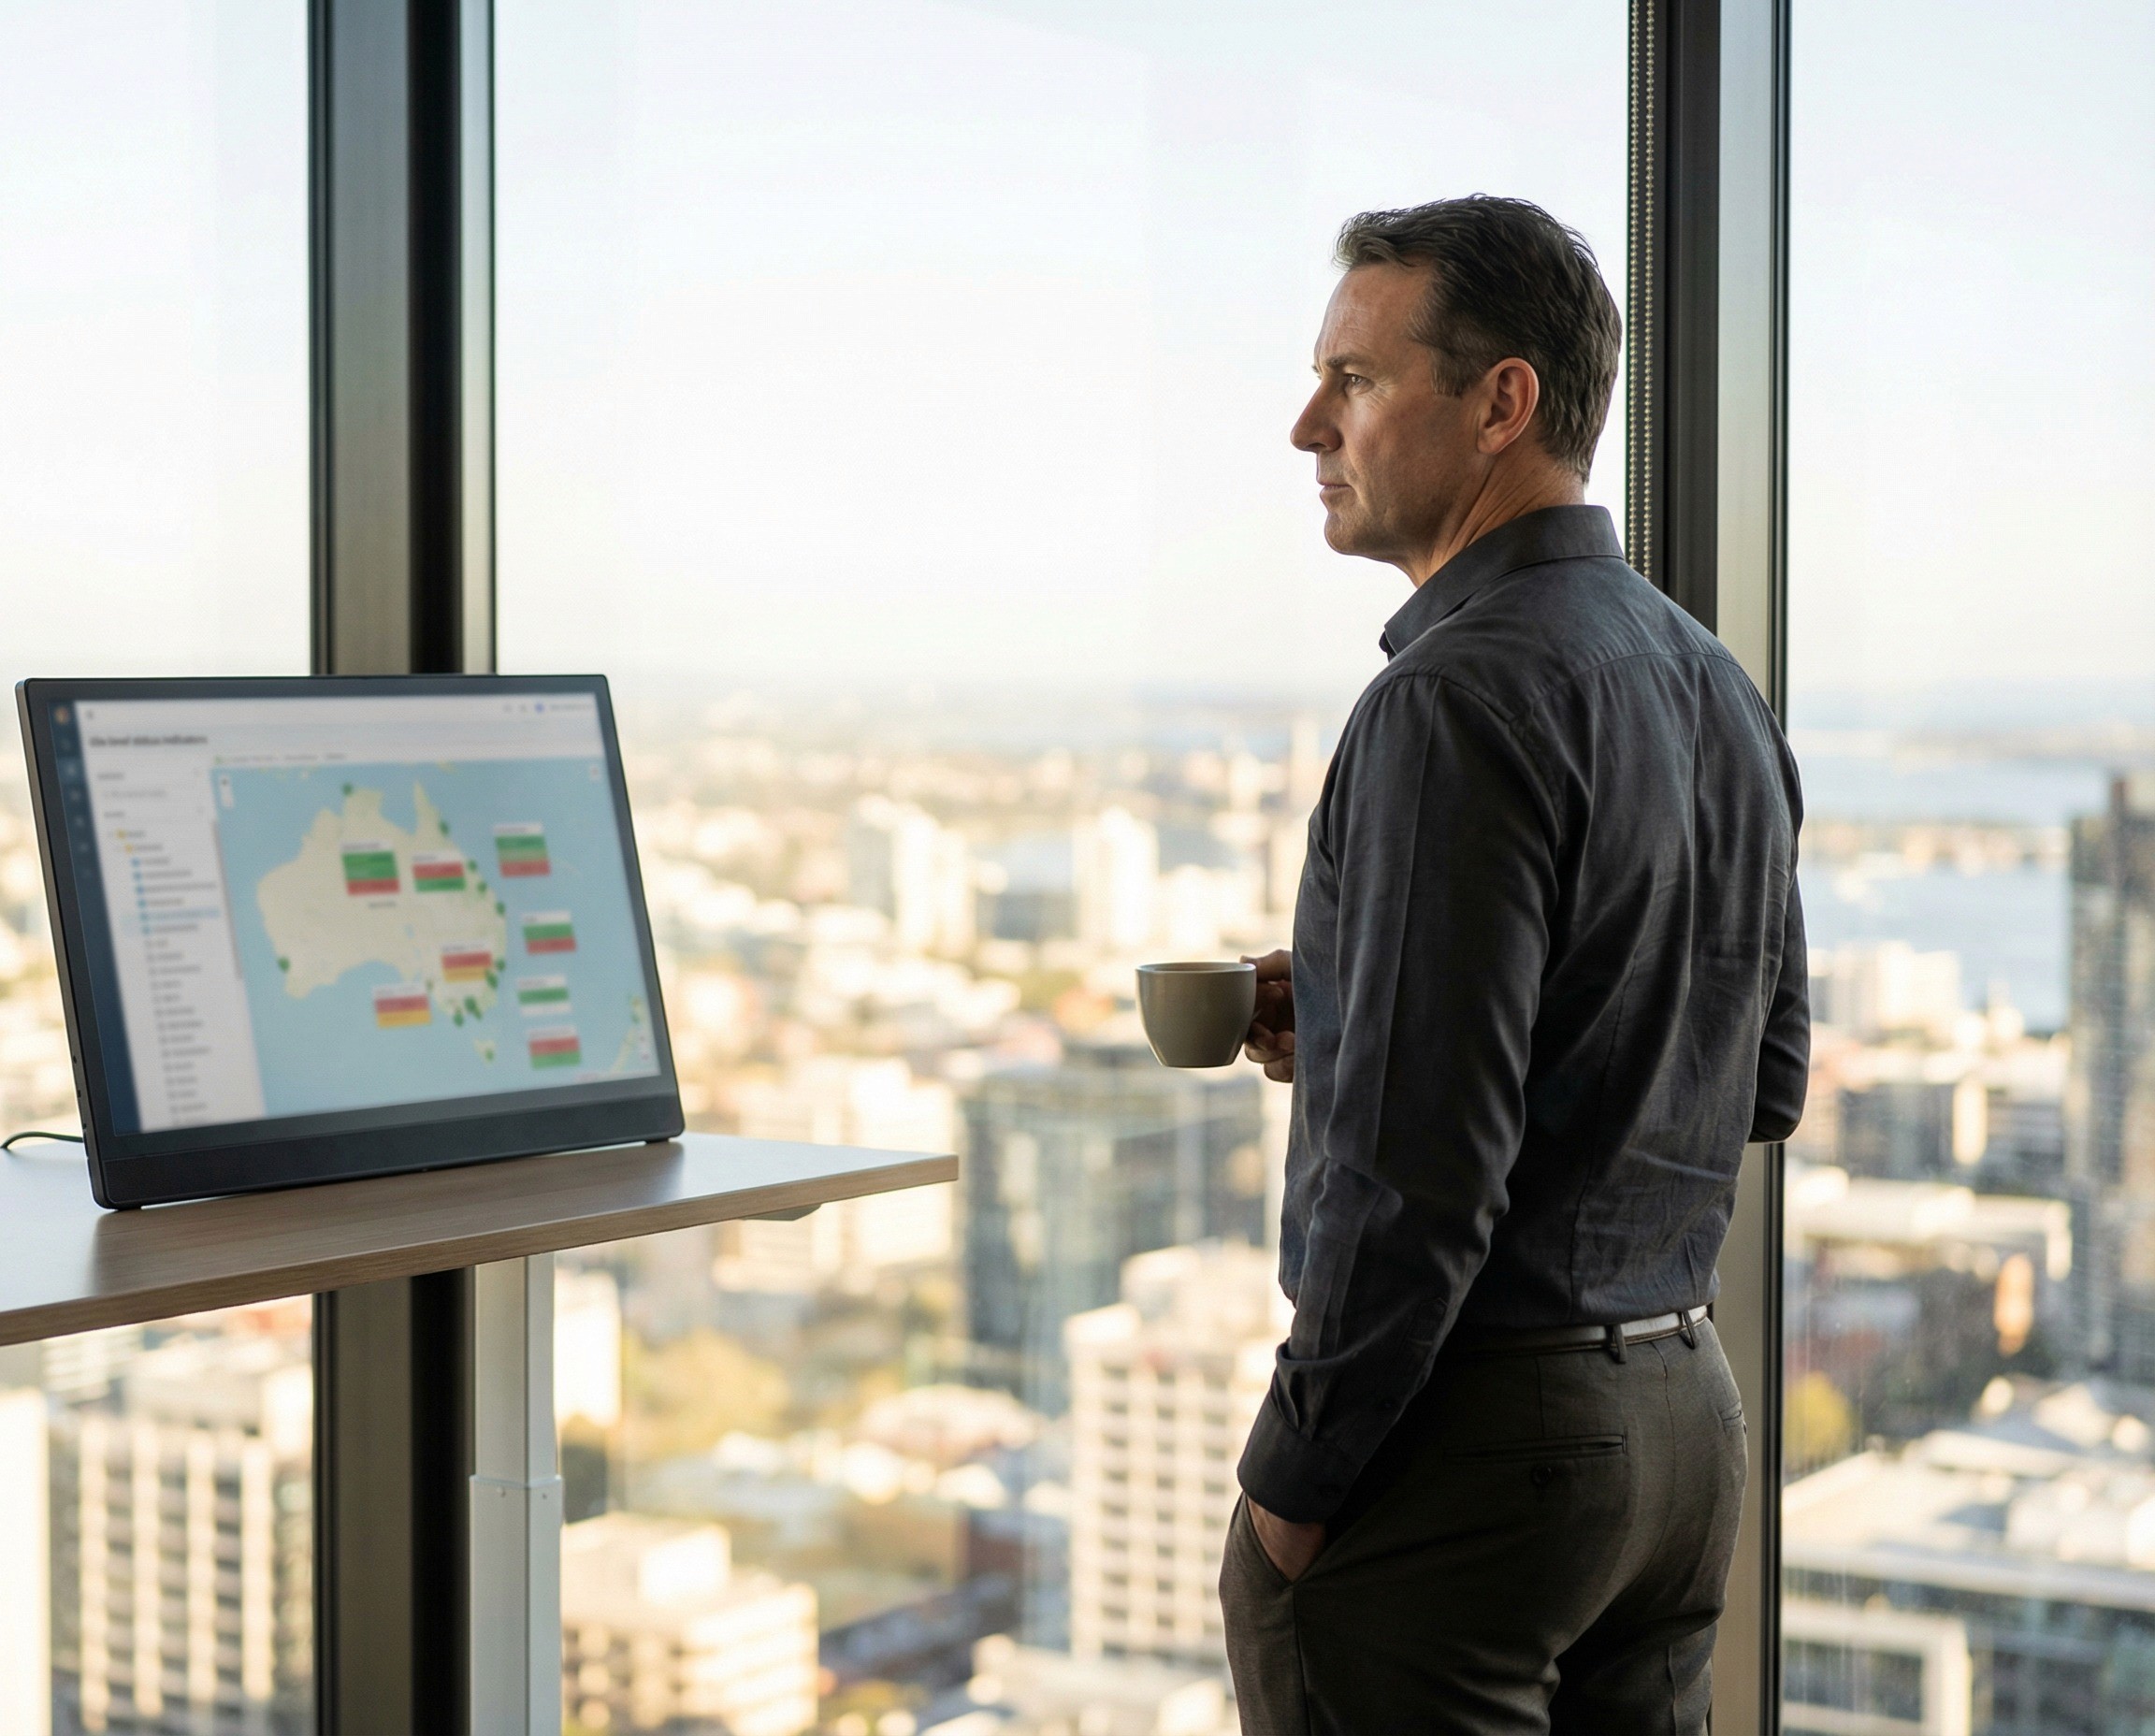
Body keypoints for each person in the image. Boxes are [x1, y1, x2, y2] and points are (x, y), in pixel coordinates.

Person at [1220, 195, 1808, 1734]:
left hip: (1473, 1445)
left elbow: (1417, 1175)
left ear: (1502, 403)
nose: (1306, 425)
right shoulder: (1715, 683)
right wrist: (1364, 1000)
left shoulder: (1449, 700)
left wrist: (1293, 1484)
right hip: (1680, 1430)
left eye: (1354, 380)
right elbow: (1760, 1076)